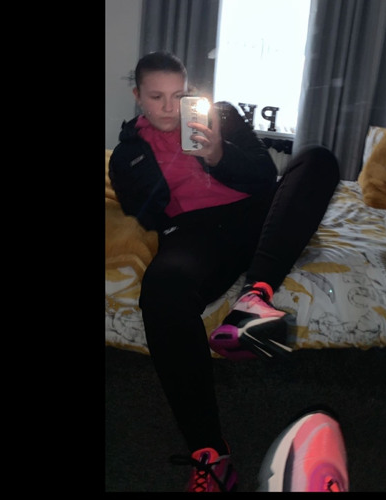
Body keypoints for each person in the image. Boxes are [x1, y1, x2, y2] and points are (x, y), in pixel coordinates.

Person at [109, 51, 340, 492]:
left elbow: (263, 176)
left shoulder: (223, 117)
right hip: (196, 233)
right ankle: (210, 453)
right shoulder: (126, 154)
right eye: (156, 97)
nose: (169, 107)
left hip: (259, 217)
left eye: (178, 95)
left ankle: (255, 297)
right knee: (161, 290)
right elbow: (145, 213)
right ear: (137, 95)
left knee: (318, 159)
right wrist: (169, 171)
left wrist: (217, 154)